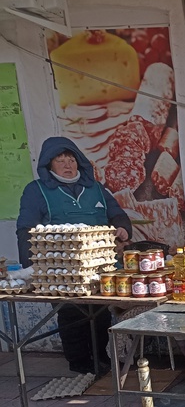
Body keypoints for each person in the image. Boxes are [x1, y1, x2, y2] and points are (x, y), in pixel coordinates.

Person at [17, 137, 132, 375]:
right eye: (60, 161)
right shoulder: (36, 191)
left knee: (99, 313)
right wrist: (32, 271)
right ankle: (79, 363)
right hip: (61, 270)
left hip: (99, 266)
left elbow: (117, 214)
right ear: (49, 165)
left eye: (71, 160)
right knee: (72, 314)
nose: (68, 165)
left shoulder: (96, 188)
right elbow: (25, 230)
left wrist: (122, 227)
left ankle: (102, 358)